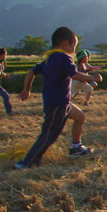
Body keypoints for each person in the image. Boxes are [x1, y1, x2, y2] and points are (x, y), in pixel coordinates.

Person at [14, 27, 102, 168]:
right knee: (49, 134)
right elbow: (74, 74)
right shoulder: (63, 57)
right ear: (65, 44)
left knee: (80, 117)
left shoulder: (50, 58)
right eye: (74, 45)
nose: (74, 49)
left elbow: (31, 72)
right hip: (58, 104)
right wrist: (92, 77)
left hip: (63, 102)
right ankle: (27, 162)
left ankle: (76, 147)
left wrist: (26, 89)